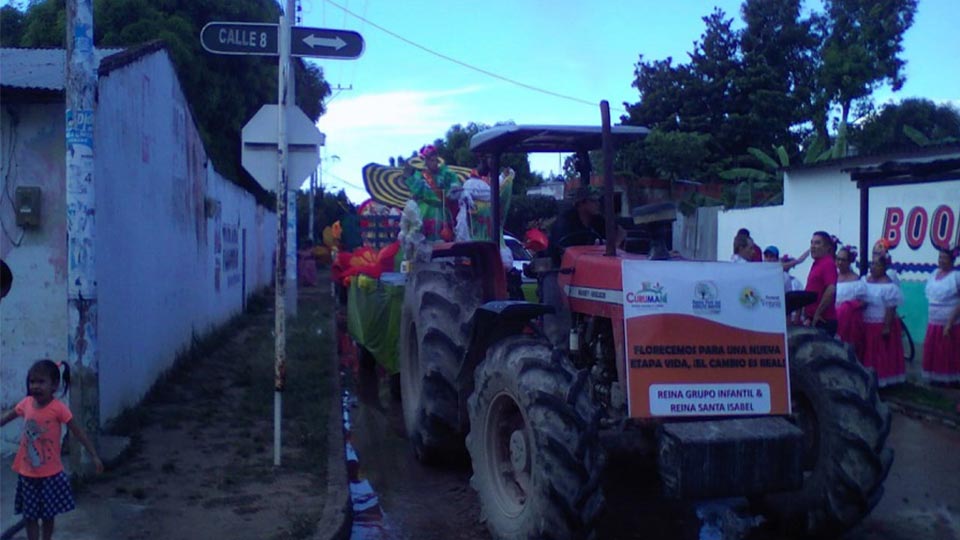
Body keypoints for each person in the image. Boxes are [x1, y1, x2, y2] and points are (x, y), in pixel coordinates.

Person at [1, 360, 103, 540]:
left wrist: (94, 455)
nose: (35, 386)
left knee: (48, 515)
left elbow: (78, 432)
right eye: (32, 382)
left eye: (41, 382)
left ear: (54, 385)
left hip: (50, 474)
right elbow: (6, 417)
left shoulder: (58, 409)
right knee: (29, 515)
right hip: (27, 473)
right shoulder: (26, 403)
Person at [861, 257, 906, 387]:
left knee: (880, 354)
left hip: (880, 323)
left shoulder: (889, 286)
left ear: (884, 268)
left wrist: (886, 326)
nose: (873, 267)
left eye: (877, 265)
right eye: (872, 264)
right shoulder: (865, 281)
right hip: (865, 323)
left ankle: (882, 381)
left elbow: (891, 307)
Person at [404, 145, 462, 242]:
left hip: (443, 211)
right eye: (431, 160)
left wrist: (453, 189)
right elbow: (416, 189)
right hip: (425, 211)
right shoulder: (420, 175)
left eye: (436, 160)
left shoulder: (445, 174)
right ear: (425, 161)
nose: (434, 163)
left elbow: (454, 185)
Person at [921, 247, 960, 385]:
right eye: (940, 258)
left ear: (952, 260)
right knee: (935, 351)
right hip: (934, 322)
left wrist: (950, 322)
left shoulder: (956, 277)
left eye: (945, 258)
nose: (941, 261)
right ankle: (936, 378)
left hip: (950, 322)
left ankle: (950, 380)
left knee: (948, 352)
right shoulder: (934, 274)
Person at [830, 246, 867, 360]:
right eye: (838, 259)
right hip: (833, 318)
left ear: (850, 261)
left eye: (843, 260)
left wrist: (848, 307)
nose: (840, 262)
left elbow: (863, 302)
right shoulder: (832, 276)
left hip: (850, 323)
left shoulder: (857, 280)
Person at [804, 231, 838, 335]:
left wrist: (818, 313)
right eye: (812, 243)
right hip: (813, 319)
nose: (813, 246)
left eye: (817, 243)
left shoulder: (828, 263)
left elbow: (831, 289)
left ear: (828, 247)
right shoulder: (817, 264)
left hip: (823, 320)